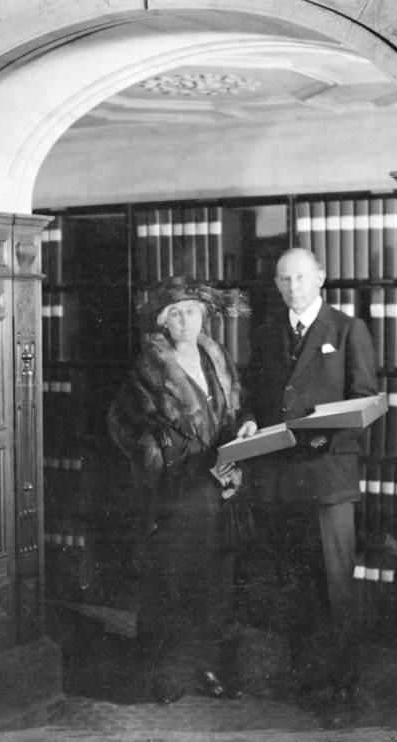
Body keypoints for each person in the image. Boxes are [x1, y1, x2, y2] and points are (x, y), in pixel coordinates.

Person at [246, 247, 379, 727]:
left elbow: (365, 403)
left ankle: (342, 687)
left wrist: (321, 435)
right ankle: (307, 679)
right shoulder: (266, 335)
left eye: (301, 277)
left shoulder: (347, 330)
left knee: (335, 587)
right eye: (284, 279)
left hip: (328, 481)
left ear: (321, 277)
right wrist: (245, 421)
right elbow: (254, 396)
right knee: (295, 584)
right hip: (282, 481)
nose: (292, 287)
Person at [107, 275, 255, 704]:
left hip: (221, 489)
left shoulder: (217, 359)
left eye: (193, 311)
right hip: (178, 495)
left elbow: (232, 411)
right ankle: (160, 677)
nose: (187, 319)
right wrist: (163, 456)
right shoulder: (146, 373)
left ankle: (208, 668)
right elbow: (126, 429)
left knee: (217, 587)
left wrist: (243, 425)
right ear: (164, 322)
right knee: (170, 586)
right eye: (177, 313)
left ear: (204, 316)